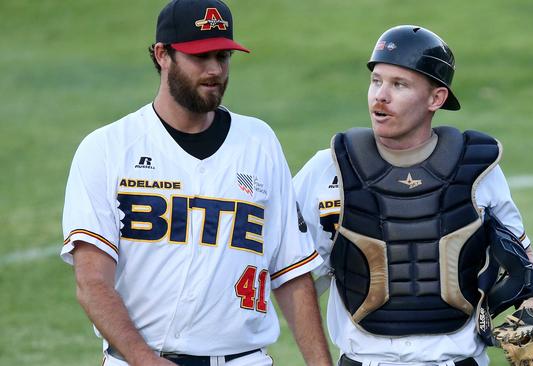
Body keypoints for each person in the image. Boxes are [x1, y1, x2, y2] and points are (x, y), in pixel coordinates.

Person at [61, 1, 333, 365]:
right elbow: (92, 283)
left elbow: (292, 273)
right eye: (200, 56)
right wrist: (146, 360)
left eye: (222, 56)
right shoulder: (109, 148)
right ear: (162, 55)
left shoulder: (259, 143)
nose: (214, 70)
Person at [293, 25, 533, 366]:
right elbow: (290, 273)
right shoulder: (329, 167)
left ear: (437, 98)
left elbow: (523, 256)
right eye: (376, 81)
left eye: (399, 85)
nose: (380, 96)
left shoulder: (476, 167)